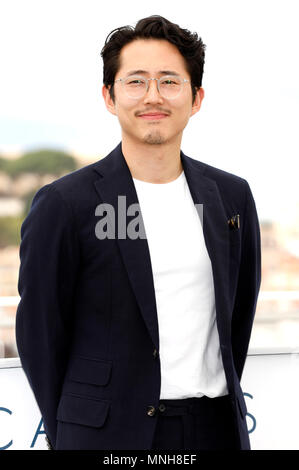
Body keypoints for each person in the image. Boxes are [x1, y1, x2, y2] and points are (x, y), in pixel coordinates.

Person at [15, 15, 261, 450]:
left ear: (196, 97)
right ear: (109, 96)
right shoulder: (65, 204)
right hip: (106, 434)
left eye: (169, 81)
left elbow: (238, 314)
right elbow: (40, 333)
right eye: (136, 82)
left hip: (215, 428)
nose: (153, 96)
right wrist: (74, 428)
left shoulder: (231, 197)